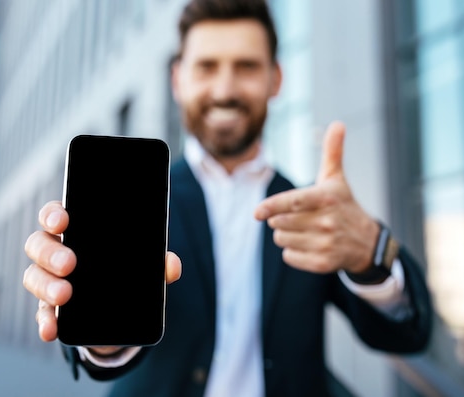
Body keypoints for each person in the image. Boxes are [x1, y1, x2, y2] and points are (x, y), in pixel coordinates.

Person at [23, 0, 433, 396]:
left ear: (276, 79)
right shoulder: (133, 202)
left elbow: (407, 331)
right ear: (177, 79)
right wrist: (103, 339)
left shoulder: (314, 213)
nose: (224, 89)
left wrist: (371, 253)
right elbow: (102, 353)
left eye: (246, 67)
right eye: (207, 67)